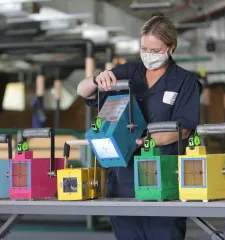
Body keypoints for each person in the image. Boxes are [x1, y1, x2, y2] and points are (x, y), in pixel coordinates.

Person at [77, 16, 201, 240]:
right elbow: (82, 90)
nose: (149, 55)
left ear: (170, 47)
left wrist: (148, 141)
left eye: (155, 50)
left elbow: (184, 129)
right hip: (123, 183)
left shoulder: (184, 81)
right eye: (144, 48)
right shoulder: (128, 72)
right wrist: (97, 78)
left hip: (163, 180)